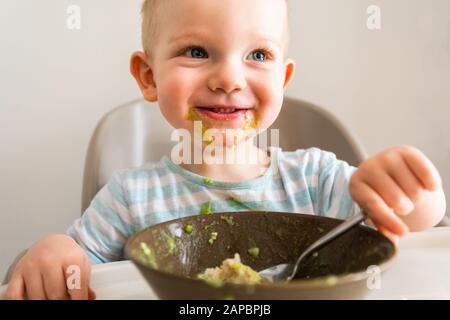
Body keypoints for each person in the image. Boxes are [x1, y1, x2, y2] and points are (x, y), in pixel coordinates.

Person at [5, 0, 445, 300]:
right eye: (196, 51)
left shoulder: (318, 179)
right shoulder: (129, 198)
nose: (229, 79)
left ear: (283, 79)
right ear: (149, 76)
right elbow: (72, 269)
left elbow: (409, 230)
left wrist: (412, 195)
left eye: (257, 54)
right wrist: (52, 252)